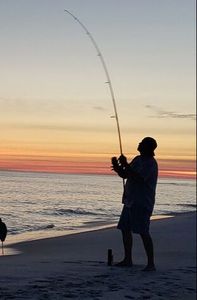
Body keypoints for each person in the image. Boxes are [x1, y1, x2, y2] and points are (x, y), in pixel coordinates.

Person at [111, 137, 158, 271]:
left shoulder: (150, 163)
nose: (138, 144)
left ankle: (151, 264)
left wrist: (125, 164)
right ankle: (128, 259)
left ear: (147, 147)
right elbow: (126, 175)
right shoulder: (137, 159)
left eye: (142, 143)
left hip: (142, 202)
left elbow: (139, 177)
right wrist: (117, 166)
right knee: (125, 229)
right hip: (130, 201)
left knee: (143, 232)